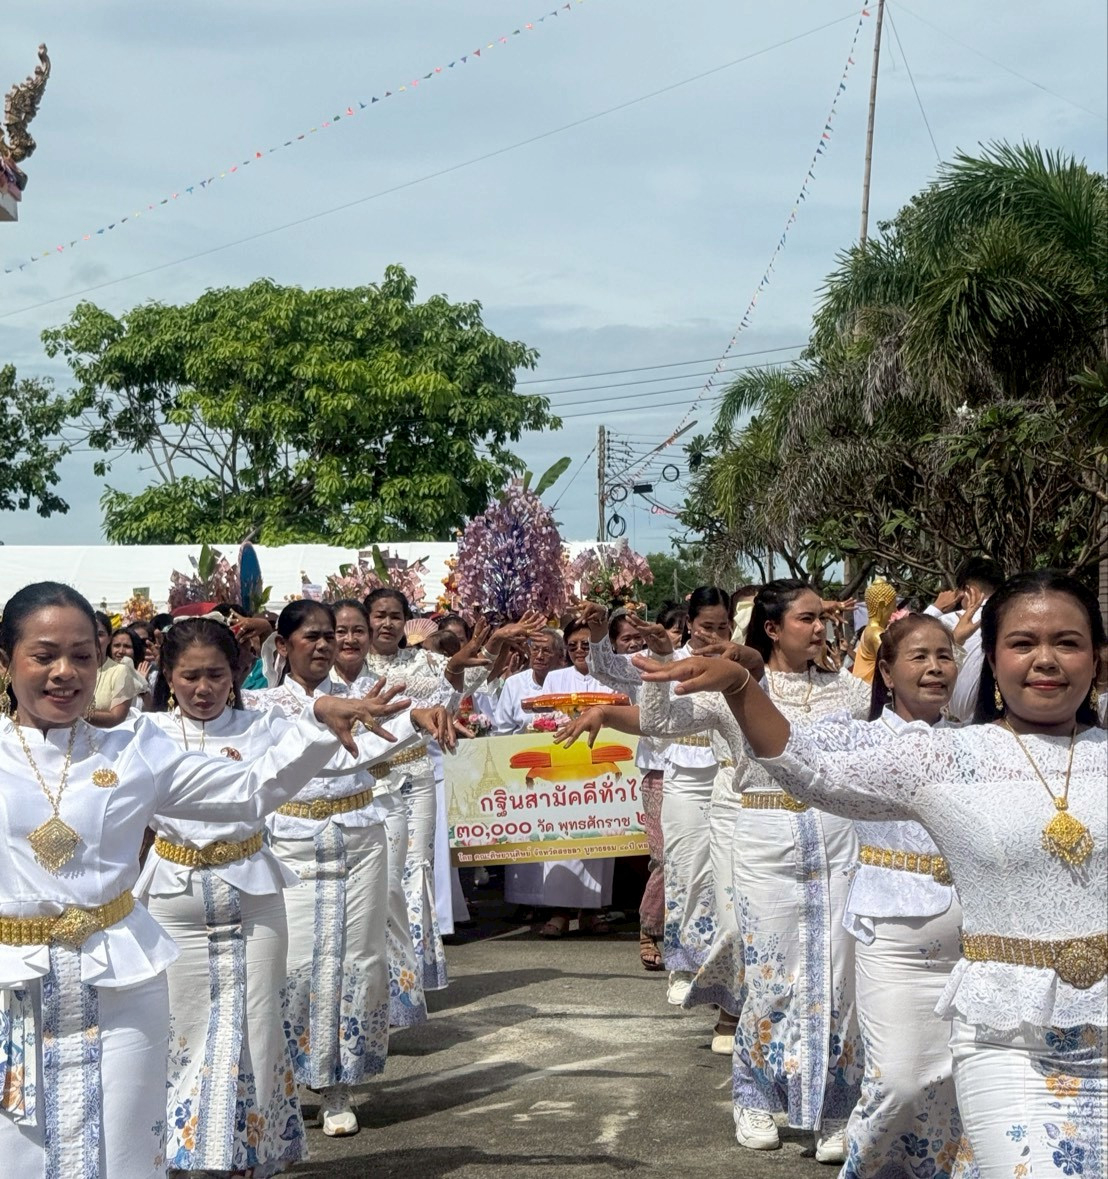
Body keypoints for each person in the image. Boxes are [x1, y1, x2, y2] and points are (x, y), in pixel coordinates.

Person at [636, 570, 1108, 1178]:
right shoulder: (945, 754)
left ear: (1096, 657)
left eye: (1067, 642)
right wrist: (742, 690)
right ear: (990, 659)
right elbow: (814, 770)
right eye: (1022, 643)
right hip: (1007, 1037)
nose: (1045, 659)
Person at [0, 581, 412, 1178]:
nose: (65, 672)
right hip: (16, 986)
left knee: (124, 1146)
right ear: (7, 660)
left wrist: (322, 728)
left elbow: (248, 792)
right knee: (22, 1149)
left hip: (121, 983)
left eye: (83, 656)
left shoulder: (132, 750)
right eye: (44, 655)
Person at [139, 617, 434, 1173]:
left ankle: (252, 1149)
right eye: (189, 677)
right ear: (167, 677)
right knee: (182, 1028)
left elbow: (328, 735)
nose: (203, 689)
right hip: (176, 897)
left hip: (254, 893)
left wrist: (386, 716)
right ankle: (183, 1149)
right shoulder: (141, 732)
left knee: (258, 1022)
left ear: (236, 675)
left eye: (217, 675)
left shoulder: (265, 723)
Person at [245, 600, 453, 1138]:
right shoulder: (264, 704)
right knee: (294, 966)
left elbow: (385, 722)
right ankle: (287, 1082)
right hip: (292, 844)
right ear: (284, 645)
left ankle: (340, 1088)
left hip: (360, 837)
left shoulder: (362, 698)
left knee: (357, 959)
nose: (321, 645)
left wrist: (418, 717)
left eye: (327, 637)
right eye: (310, 636)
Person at [331, 597, 428, 1030]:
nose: (349, 639)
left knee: (388, 897)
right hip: (319, 817)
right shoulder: (316, 690)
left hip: (383, 802)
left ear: (369, 638)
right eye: (340, 631)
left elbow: (414, 727)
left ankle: (397, 1000)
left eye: (357, 631)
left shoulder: (388, 685)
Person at [926, 556, 1005, 722]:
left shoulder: (948, 621)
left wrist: (935, 609)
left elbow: (904, 645)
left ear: (968, 591)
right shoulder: (1012, 620)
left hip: (961, 723)